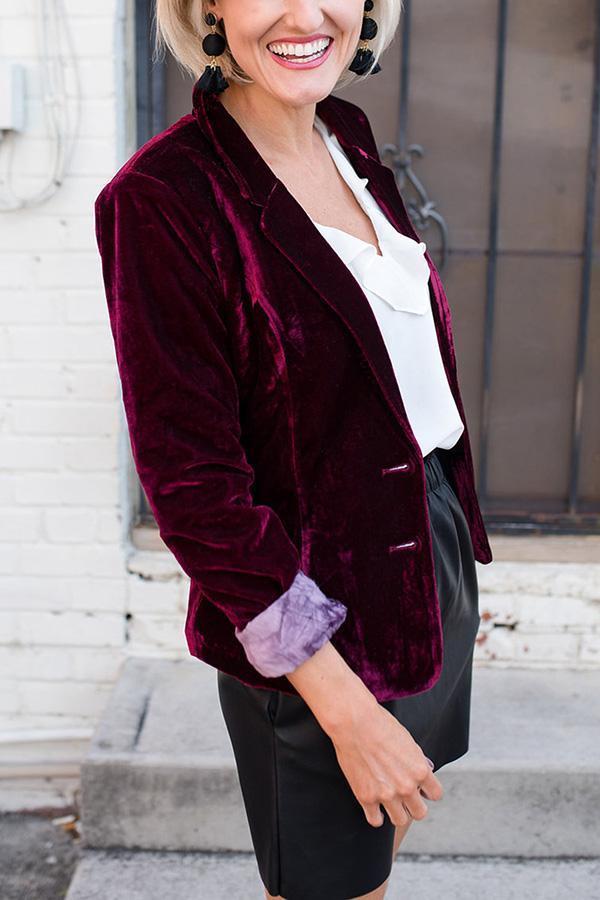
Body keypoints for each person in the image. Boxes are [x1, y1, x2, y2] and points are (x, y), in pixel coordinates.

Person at [94, 1, 494, 897]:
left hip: (427, 564)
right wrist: (344, 708)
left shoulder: (346, 136)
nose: (305, 14)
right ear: (209, 7)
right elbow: (193, 488)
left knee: (376, 862)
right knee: (330, 885)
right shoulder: (162, 199)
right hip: (312, 619)